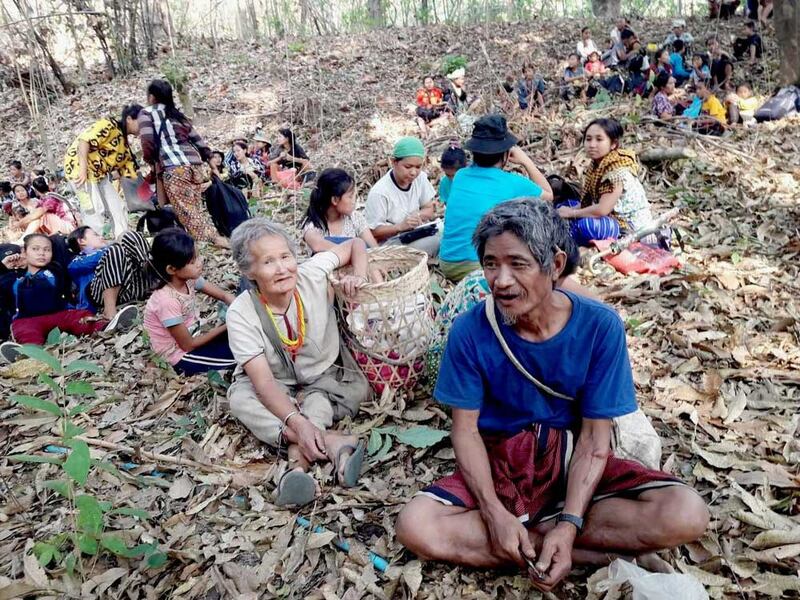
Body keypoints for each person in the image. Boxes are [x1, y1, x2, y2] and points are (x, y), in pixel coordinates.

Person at [395, 198, 708, 592]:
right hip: (502, 462)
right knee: (415, 526)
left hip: (571, 457)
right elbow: (466, 431)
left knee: (685, 513)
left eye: (518, 264)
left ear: (555, 265)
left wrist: (570, 521)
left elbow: (596, 439)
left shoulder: (600, 328)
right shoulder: (470, 331)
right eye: (491, 264)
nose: (501, 280)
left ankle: (545, 539)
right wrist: (493, 513)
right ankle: (586, 551)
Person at [225, 218, 371, 506]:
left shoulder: (312, 273)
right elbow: (264, 383)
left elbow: (356, 245)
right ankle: (332, 442)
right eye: (268, 262)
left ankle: (296, 468)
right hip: (275, 382)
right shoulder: (241, 313)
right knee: (241, 399)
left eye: (286, 257)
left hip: (322, 377)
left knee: (318, 400)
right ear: (248, 271)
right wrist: (296, 421)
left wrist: (360, 275)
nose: (282, 268)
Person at [438, 114, 553, 282]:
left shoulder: (460, 176)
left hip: (447, 262)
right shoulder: (512, 182)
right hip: (476, 266)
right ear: (505, 154)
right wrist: (526, 162)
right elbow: (548, 195)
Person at [0, 234, 138, 363]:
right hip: (28, 319)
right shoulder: (12, 278)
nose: (41, 253)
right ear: (24, 252)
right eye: (35, 249)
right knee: (26, 331)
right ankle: (29, 353)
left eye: (47, 250)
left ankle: (107, 326)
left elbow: (59, 267)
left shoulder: (54, 270)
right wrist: (3, 267)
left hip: (60, 314)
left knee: (80, 318)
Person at [139, 79, 229, 249]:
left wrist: (150, 160)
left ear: (151, 97)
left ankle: (212, 241)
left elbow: (147, 142)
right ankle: (201, 241)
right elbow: (197, 139)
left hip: (174, 167)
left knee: (187, 210)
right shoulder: (177, 114)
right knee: (194, 206)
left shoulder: (147, 113)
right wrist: (209, 158)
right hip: (194, 165)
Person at [143, 228, 236, 374]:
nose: (200, 263)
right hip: (179, 355)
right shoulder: (167, 301)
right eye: (193, 262)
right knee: (240, 358)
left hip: (194, 336)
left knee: (243, 337)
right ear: (172, 269)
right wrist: (228, 324)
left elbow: (224, 296)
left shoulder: (188, 280)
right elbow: (188, 345)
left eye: (198, 257)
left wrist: (240, 306)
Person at [557, 118, 657, 246]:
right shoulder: (597, 165)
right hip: (609, 217)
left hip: (628, 228)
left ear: (613, 144)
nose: (592, 144)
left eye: (599, 139)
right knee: (565, 204)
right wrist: (568, 210)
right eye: (588, 139)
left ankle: (570, 238)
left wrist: (571, 213)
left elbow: (602, 209)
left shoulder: (616, 171)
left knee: (588, 226)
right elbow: (588, 202)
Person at [64, 105, 142, 239]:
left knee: (118, 207)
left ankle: (123, 240)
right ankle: (92, 246)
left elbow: (131, 174)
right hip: (79, 170)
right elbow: (84, 141)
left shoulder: (123, 145)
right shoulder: (108, 125)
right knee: (95, 211)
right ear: (129, 119)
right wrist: (82, 170)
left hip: (100, 175)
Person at [364, 137, 440, 257]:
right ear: (394, 162)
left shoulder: (420, 178)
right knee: (438, 242)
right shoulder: (380, 192)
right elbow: (372, 232)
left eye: (418, 167)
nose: (413, 172)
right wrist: (400, 226)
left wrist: (418, 216)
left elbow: (430, 208)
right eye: (408, 167)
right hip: (391, 243)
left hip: (415, 232)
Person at [67, 226, 150, 319]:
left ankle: (157, 278)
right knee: (115, 250)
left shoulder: (113, 250)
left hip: (132, 289)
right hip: (100, 297)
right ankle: (109, 312)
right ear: (81, 241)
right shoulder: (76, 262)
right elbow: (106, 254)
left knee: (129, 235)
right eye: (96, 235)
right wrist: (116, 245)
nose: (101, 237)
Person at [302, 168, 377, 254]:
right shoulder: (313, 224)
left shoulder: (355, 218)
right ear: (335, 200)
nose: (354, 201)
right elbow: (317, 245)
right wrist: (355, 250)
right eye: (350, 197)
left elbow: (374, 248)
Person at [6, 183, 74, 243]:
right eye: (17, 191)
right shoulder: (16, 207)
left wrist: (21, 222)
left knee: (39, 217)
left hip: (51, 225)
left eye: (22, 190)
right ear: (15, 194)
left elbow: (39, 213)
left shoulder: (39, 201)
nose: (21, 193)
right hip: (31, 227)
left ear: (27, 191)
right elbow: (15, 221)